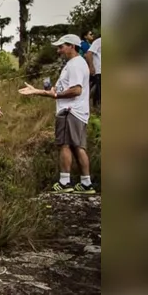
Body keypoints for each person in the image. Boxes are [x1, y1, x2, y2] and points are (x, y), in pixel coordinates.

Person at [19, 33, 96, 195]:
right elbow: (66, 89)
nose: (58, 50)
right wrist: (42, 91)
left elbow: (76, 90)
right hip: (78, 112)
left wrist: (54, 95)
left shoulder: (75, 64)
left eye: (61, 47)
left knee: (65, 145)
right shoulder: (76, 64)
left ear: (72, 47)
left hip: (70, 111)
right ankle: (86, 183)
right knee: (78, 147)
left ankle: (64, 181)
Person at [85, 36, 101, 112]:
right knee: (99, 90)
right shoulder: (98, 41)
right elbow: (88, 54)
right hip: (99, 70)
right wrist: (91, 67)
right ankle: (96, 107)